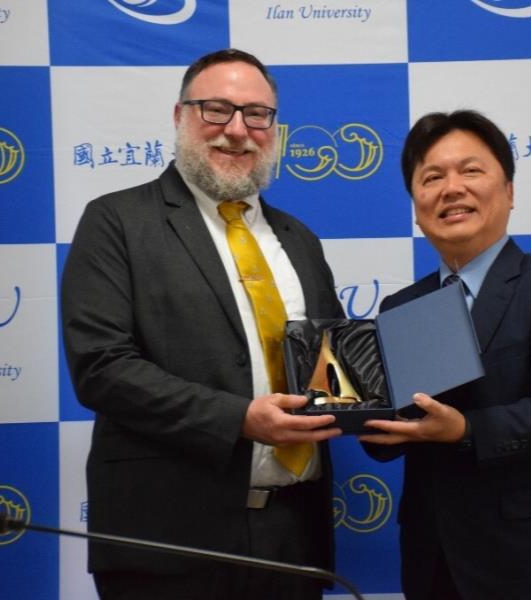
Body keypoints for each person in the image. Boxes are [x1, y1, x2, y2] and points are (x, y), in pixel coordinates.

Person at [61, 48, 344, 600]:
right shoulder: (117, 221)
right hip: (166, 543)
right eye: (216, 109)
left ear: (274, 128)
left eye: (257, 114)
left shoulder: (301, 240)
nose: (237, 130)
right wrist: (240, 419)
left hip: (293, 539)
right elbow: (100, 367)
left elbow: (331, 369)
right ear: (179, 116)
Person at [360, 110, 531, 599]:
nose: (451, 188)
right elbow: (385, 441)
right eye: (432, 178)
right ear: (416, 206)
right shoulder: (401, 307)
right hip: (434, 563)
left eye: (471, 171)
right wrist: (350, 406)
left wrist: (466, 430)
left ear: (509, 191)